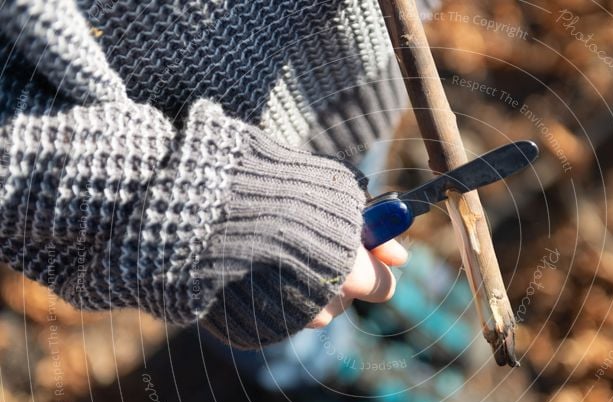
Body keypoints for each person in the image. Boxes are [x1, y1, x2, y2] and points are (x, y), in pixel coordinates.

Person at [0, 0, 423, 345]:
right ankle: (325, 372)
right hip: (215, 205)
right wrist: (215, 211)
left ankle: (375, 302)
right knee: (285, 319)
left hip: (357, 73)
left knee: (361, 188)